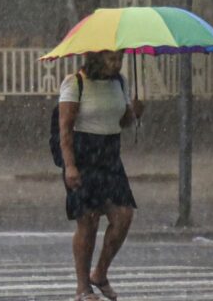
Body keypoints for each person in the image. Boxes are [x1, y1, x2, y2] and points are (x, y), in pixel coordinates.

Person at [58, 50, 143, 301]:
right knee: (88, 221)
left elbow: (123, 122)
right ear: (96, 58)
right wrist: (70, 166)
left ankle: (100, 273)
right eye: (111, 59)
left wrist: (135, 112)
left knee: (123, 215)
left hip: (110, 155)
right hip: (83, 155)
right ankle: (82, 287)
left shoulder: (120, 82)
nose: (117, 64)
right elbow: (65, 129)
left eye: (120, 59)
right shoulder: (75, 83)